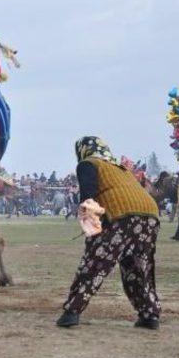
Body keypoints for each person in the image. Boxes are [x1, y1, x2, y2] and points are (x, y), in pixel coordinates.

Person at [57, 137, 161, 329]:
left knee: (94, 263)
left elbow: (88, 196)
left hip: (121, 215)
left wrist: (91, 228)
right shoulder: (121, 169)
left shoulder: (88, 164)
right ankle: (149, 315)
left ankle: (72, 312)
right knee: (139, 267)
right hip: (150, 215)